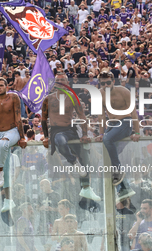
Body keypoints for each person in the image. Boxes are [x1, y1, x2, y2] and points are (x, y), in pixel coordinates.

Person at [42, 72, 100, 201]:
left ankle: (86, 187)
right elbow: (43, 119)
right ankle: (73, 161)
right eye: (58, 81)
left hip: (70, 129)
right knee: (59, 141)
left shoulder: (73, 97)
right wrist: (46, 137)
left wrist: (85, 134)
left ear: (68, 83)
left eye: (63, 80)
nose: (61, 83)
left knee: (84, 154)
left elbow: (82, 116)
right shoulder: (48, 98)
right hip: (56, 130)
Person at [95, 71, 138, 201]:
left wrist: (137, 132)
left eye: (108, 82)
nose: (106, 85)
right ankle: (124, 188)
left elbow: (133, 113)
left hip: (125, 122)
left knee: (107, 140)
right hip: (112, 125)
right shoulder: (100, 95)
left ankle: (118, 171)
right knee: (107, 155)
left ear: (113, 81)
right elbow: (101, 116)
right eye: (103, 83)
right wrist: (101, 133)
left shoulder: (124, 91)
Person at [0, 77, 27, 212]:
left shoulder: (14, 97)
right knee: (7, 167)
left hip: (13, 131)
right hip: (1, 133)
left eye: (1, 85)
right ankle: (8, 201)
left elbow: (18, 118)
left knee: (2, 145)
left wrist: (22, 137)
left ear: (6, 86)